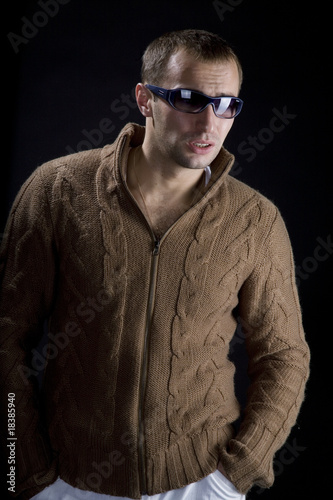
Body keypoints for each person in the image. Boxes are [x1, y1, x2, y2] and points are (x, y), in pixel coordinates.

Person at [0, 29, 310, 500]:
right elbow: (5, 337)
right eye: (189, 99)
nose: (210, 123)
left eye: (227, 104)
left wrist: (234, 477)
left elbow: (285, 357)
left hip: (200, 482)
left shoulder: (256, 221)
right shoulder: (57, 190)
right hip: (70, 482)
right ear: (145, 98)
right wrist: (23, 468)